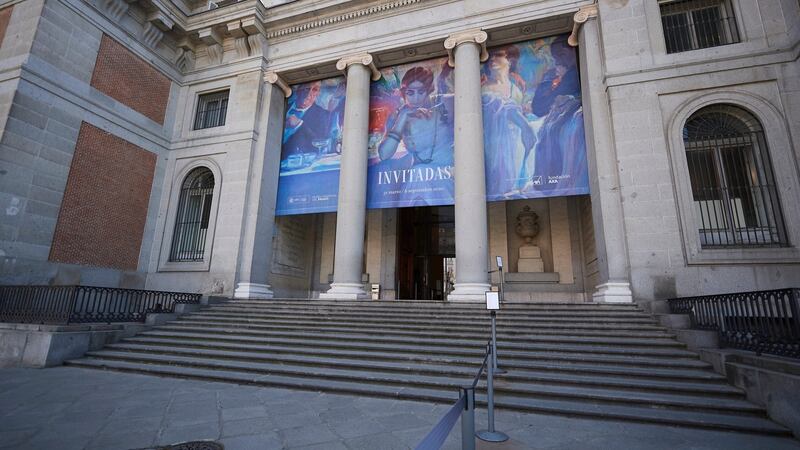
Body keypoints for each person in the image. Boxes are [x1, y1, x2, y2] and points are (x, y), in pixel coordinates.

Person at [374, 66, 454, 206]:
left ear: (429, 90)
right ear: (404, 93)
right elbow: (384, 154)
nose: (416, 98)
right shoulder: (399, 115)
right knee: (418, 174)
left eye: (421, 92)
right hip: (419, 180)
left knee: (418, 174)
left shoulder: (444, 104)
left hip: (448, 175)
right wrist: (402, 119)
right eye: (410, 93)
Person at [528, 36, 587, 192]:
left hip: (574, 115)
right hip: (557, 115)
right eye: (556, 58)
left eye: (562, 55)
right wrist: (550, 80)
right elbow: (538, 107)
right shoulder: (558, 75)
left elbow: (546, 104)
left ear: (572, 50)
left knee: (549, 131)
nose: (560, 62)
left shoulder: (576, 73)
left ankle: (549, 181)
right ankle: (545, 181)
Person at [481, 46, 536, 198]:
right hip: (494, 140)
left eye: (498, 55)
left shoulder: (516, 87)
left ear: (509, 61)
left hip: (515, 139)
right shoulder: (483, 89)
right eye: (490, 57)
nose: (492, 59)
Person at [282, 81, 333, 157]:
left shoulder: (324, 115)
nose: (309, 93)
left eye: (315, 90)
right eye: (306, 89)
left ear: (318, 94)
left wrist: (299, 124)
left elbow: (320, 144)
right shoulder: (282, 108)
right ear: (298, 91)